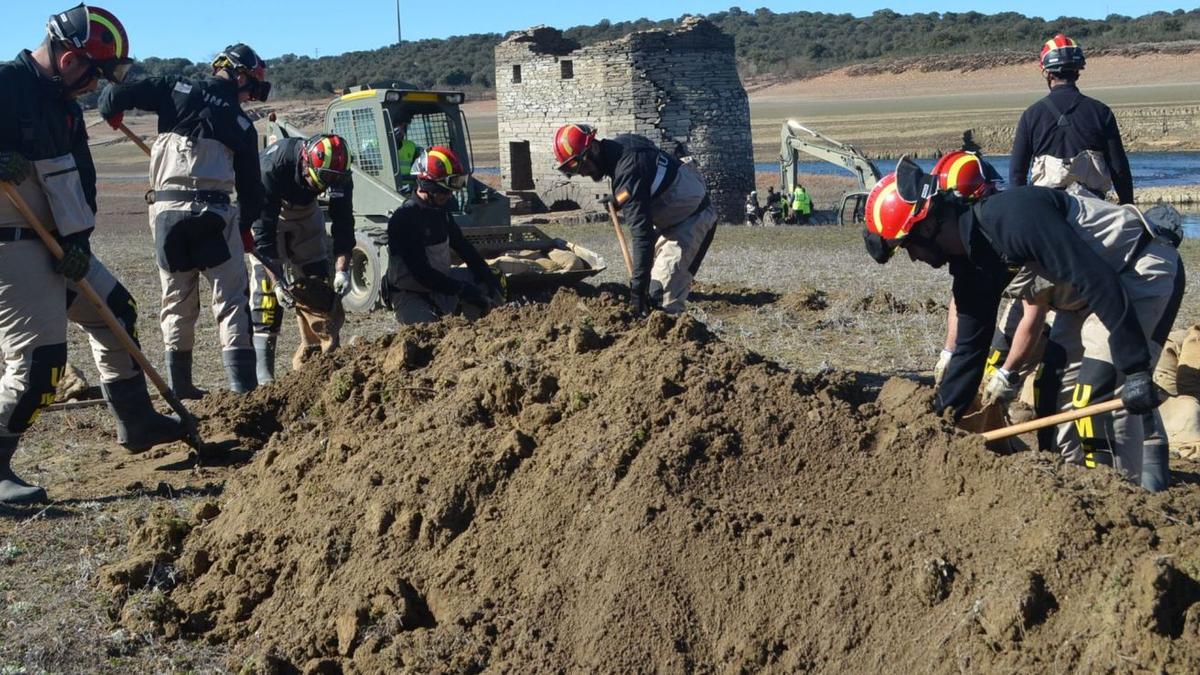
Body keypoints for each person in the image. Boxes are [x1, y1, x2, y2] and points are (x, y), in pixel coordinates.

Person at [863, 156, 1181, 491]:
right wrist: (942, 420)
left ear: (928, 226)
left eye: (908, 245)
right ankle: (1074, 494)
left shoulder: (1013, 218)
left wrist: (1135, 368)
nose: (913, 257)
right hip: (1083, 298)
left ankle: (1121, 501)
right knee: (1050, 388)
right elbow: (969, 352)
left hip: (1137, 270)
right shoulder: (972, 266)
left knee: (1096, 395)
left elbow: (1097, 279)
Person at [0, 4, 185, 503]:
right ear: (67, 60)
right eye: (93, 74)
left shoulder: (63, 105)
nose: (93, 87)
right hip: (10, 246)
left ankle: (137, 421)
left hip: (60, 243)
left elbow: (82, 177)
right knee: (40, 366)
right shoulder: (4, 84)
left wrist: (80, 242)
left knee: (117, 313)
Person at [99, 43, 270, 396]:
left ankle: (181, 389)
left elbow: (115, 95)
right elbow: (252, 192)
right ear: (240, 76)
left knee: (176, 300)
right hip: (215, 215)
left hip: (166, 215)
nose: (250, 97)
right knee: (230, 302)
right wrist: (245, 227)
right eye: (251, 88)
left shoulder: (174, 87)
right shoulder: (242, 125)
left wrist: (109, 111)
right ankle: (244, 391)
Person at [553, 123, 717, 315]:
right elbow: (644, 178)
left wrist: (637, 287)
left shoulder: (627, 171)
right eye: (572, 170)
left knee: (659, 300)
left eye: (581, 164)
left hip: (693, 220)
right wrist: (619, 199)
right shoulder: (625, 144)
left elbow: (642, 236)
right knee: (649, 280)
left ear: (594, 148)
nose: (581, 172)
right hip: (675, 215)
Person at [249, 134, 354, 384]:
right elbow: (263, 237)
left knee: (316, 284)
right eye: (325, 179)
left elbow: (343, 224)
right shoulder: (271, 168)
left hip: (306, 212)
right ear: (307, 164)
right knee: (267, 292)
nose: (328, 185)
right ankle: (264, 372)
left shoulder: (339, 174)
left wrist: (343, 269)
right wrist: (277, 283)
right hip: (266, 208)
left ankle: (315, 359)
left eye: (333, 180)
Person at [1009, 34, 1133, 204]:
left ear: (1047, 73)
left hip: (1047, 207)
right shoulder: (1101, 112)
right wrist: (1128, 205)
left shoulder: (1031, 115)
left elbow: (1017, 174)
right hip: (1094, 207)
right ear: (1077, 71)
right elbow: (1119, 169)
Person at [385, 145, 501, 325]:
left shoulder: (440, 212)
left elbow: (463, 247)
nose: (448, 196)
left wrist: (488, 278)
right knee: (429, 331)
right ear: (426, 185)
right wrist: (461, 290)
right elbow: (421, 273)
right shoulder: (404, 219)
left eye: (451, 191)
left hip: (442, 282)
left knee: (489, 279)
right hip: (411, 293)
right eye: (443, 190)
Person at [392, 116, 419, 189]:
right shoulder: (376, 147)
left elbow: (420, 170)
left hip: (411, 187)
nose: (402, 130)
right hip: (390, 186)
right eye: (399, 126)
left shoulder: (411, 146)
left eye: (404, 127)